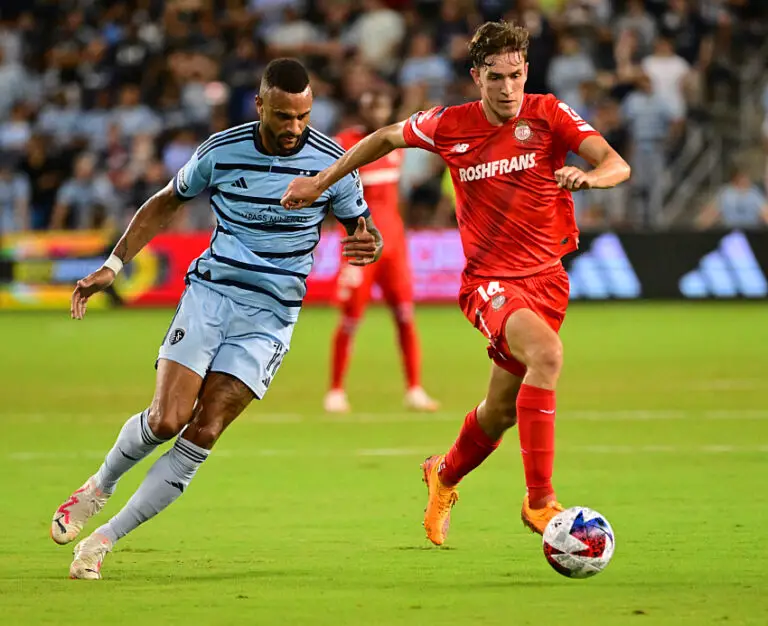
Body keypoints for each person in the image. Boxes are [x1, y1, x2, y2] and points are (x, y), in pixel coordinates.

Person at [282, 21, 630, 545]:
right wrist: (320, 181)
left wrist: (590, 178)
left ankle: (442, 475)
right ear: (476, 77)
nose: (508, 88)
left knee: (499, 413)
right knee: (548, 355)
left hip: (548, 282)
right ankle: (540, 502)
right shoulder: (449, 124)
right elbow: (384, 137)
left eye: (516, 75)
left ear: (526, 71)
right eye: (496, 78)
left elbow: (616, 164)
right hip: (490, 284)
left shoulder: (549, 113)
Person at [50, 58, 382, 578]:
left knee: (204, 430)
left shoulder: (332, 163)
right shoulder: (220, 151)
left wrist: (368, 242)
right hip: (211, 295)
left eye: (303, 116)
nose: (294, 127)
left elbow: (362, 226)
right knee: (166, 419)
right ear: (260, 105)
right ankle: (99, 486)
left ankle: (102, 541)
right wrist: (113, 265)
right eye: (283, 116)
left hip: (272, 314)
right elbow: (166, 202)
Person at [325, 91, 439, 413]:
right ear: (360, 108)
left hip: (394, 246)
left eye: (382, 105)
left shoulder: (395, 142)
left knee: (405, 315)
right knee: (350, 318)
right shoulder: (345, 143)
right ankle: (335, 390)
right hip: (360, 246)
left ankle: (414, 389)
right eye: (371, 105)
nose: (377, 111)